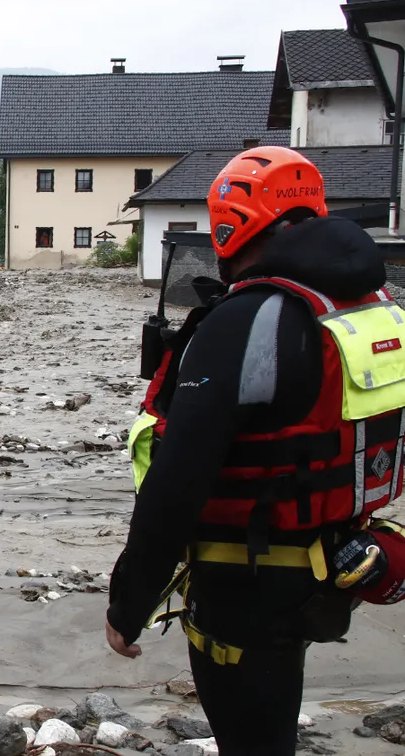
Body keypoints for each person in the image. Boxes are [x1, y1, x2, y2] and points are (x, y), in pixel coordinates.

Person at [106, 146, 405, 755]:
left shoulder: (248, 319)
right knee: (272, 722)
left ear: (229, 224)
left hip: (244, 576)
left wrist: (128, 603)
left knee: (252, 739)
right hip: (333, 559)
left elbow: (177, 481)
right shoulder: (373, 304)